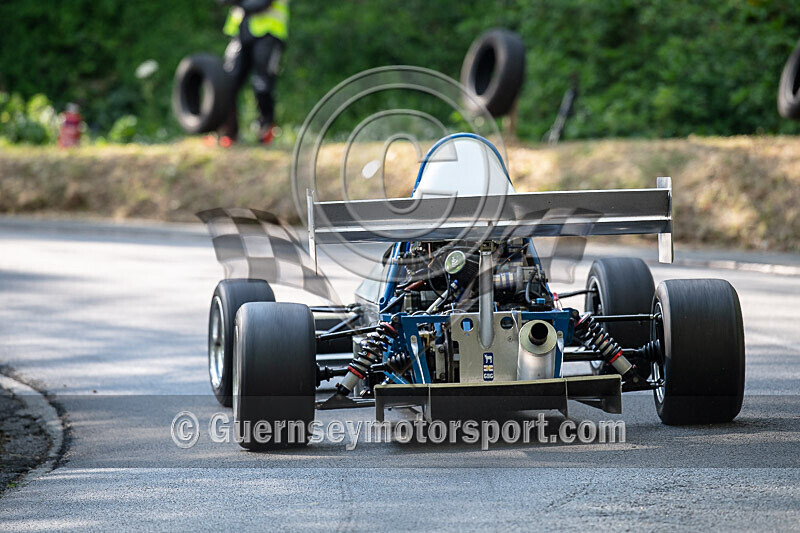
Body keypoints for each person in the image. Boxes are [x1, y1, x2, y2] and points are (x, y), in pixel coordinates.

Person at [218, 0, 288, 145]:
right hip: (240, 32)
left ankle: (266, 130)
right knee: (227, 84)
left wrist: (237, 2)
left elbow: (261, 3)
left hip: (269, 32)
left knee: (262, 86)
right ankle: (229, 133)